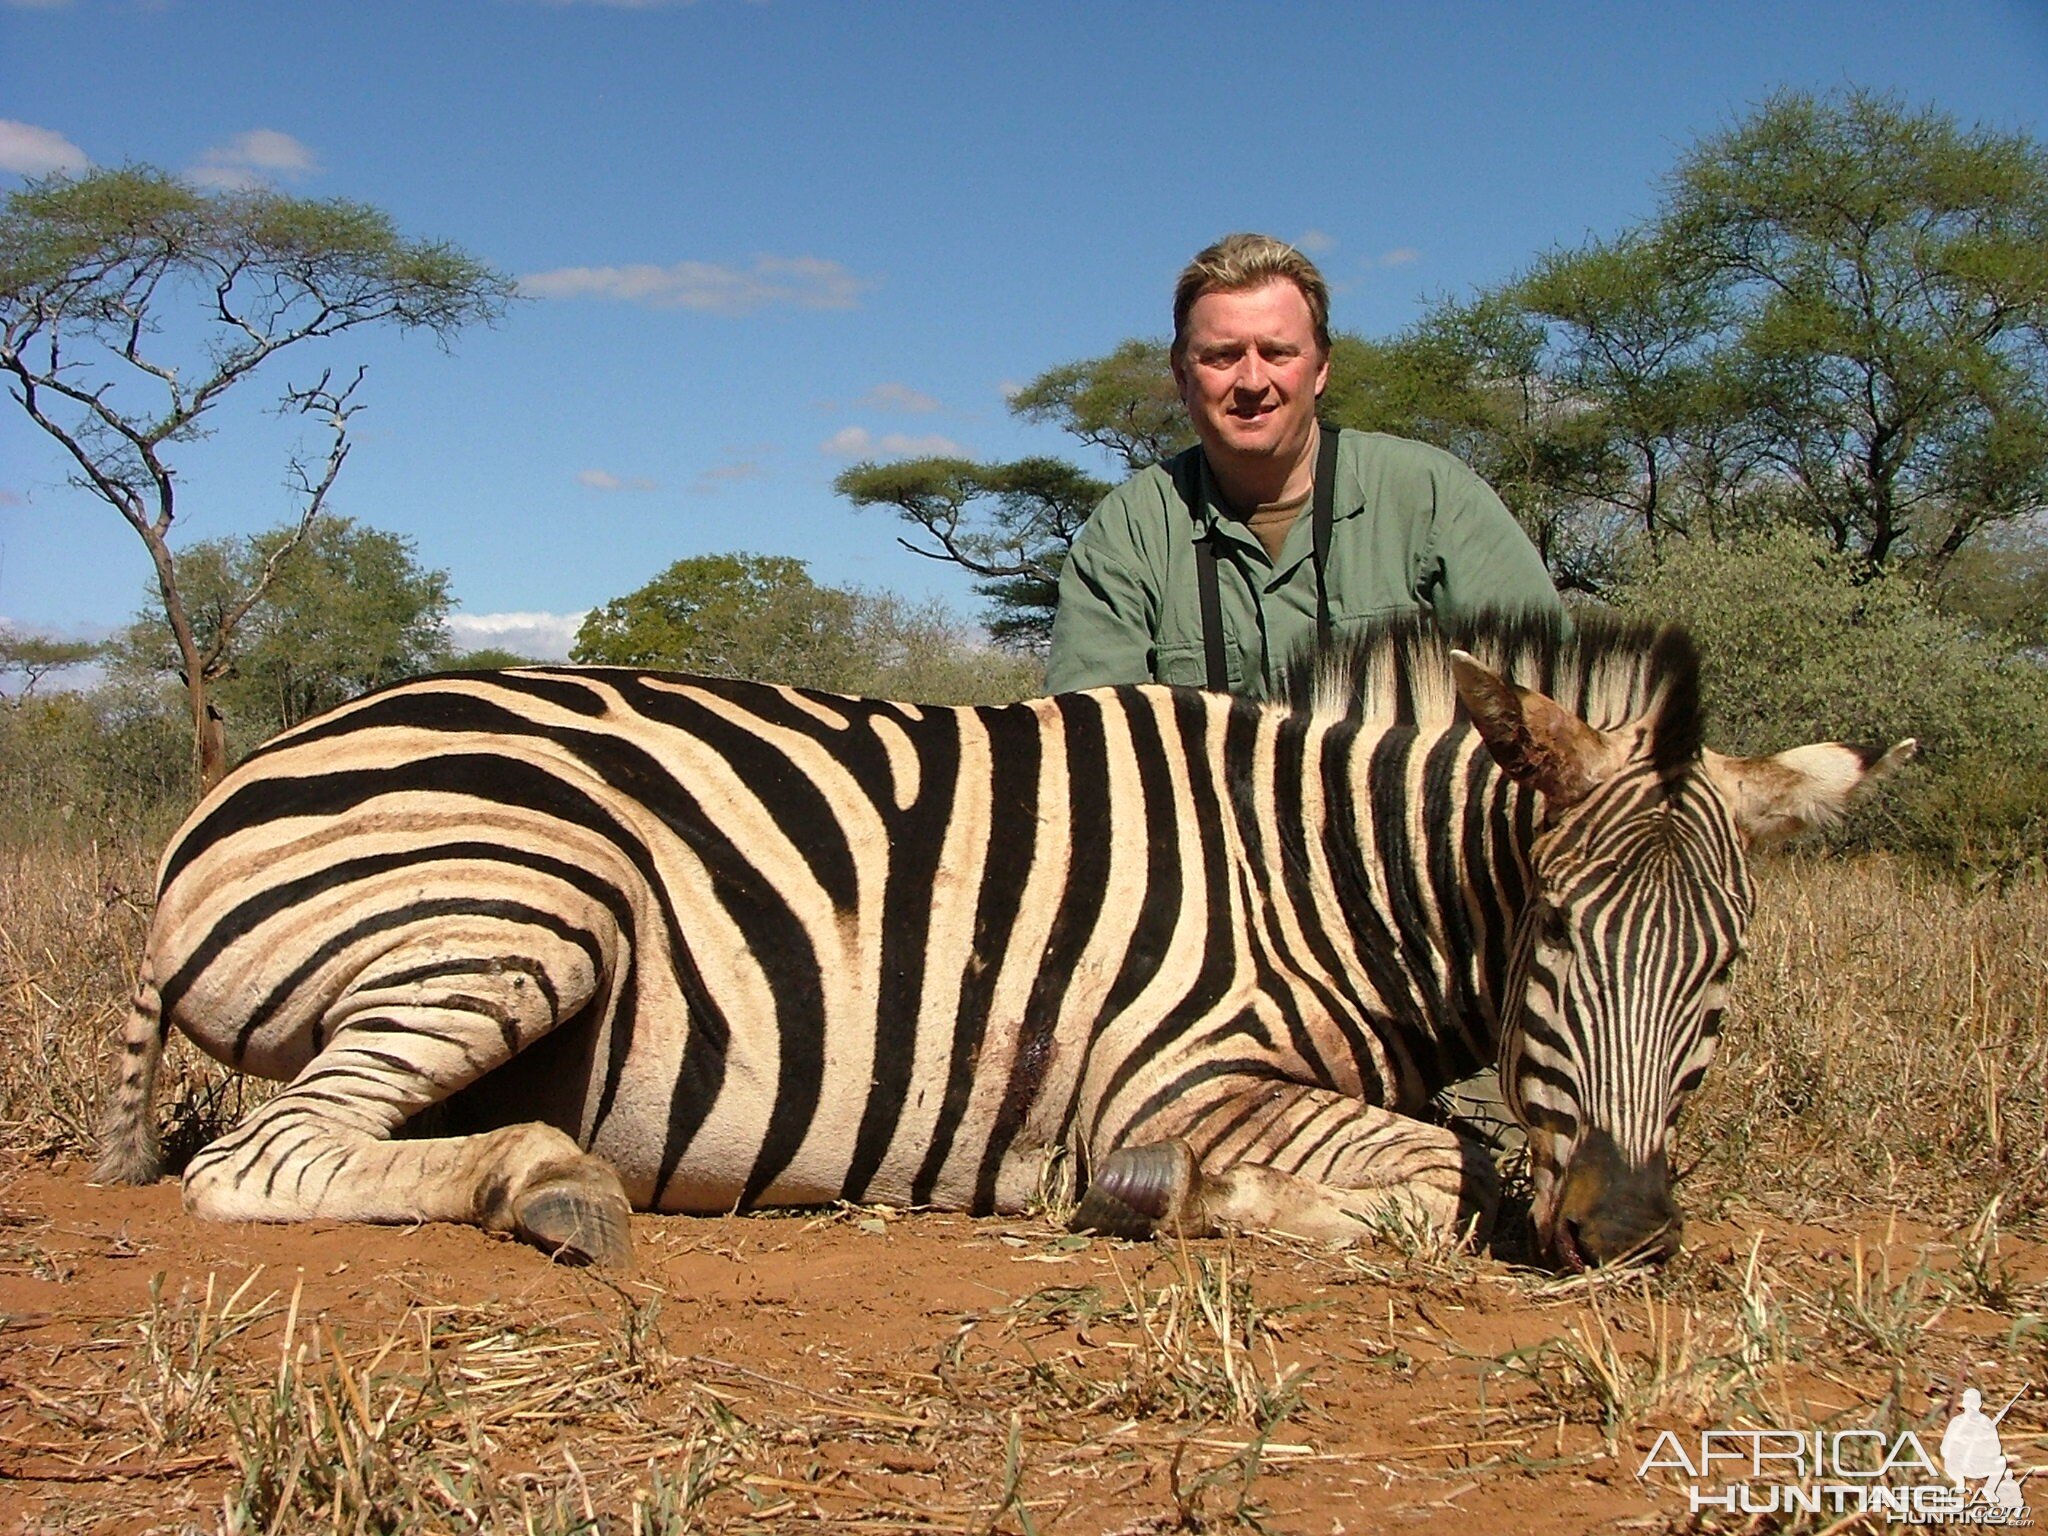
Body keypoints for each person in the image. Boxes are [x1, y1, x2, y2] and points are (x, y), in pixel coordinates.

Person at [1047, 233, 1563, 697]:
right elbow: (1091, 740)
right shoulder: (1127, 533)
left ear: (1320, 370)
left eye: (1277, 352)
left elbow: (1545, 707)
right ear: (1182, 377)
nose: (1251, 381)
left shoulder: (1433, 498)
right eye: (1222, 356)